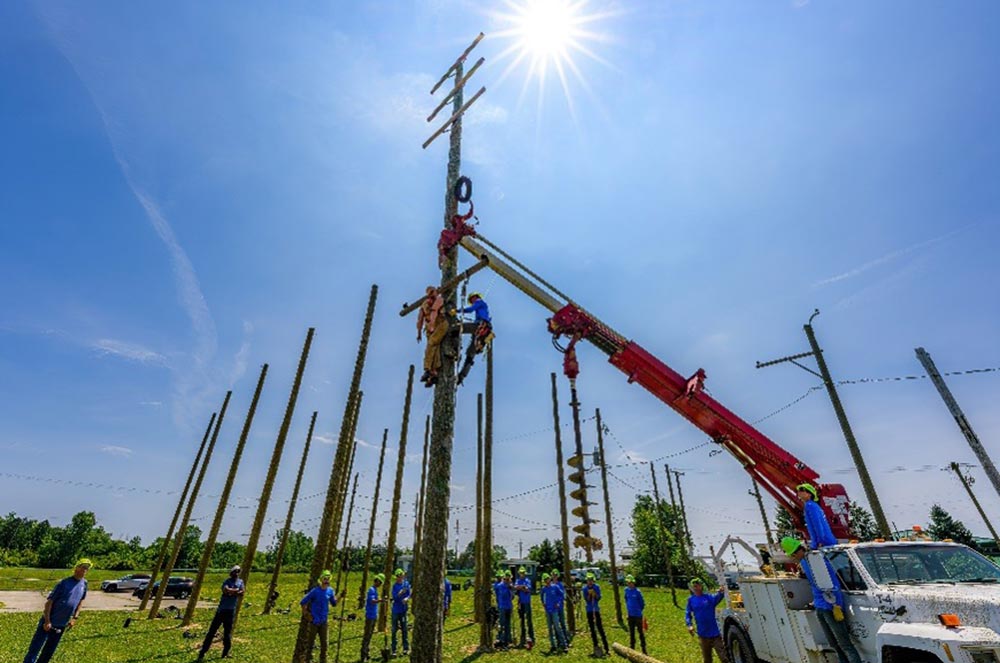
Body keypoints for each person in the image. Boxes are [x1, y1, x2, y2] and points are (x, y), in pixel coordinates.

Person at [781, 537, 862, 663]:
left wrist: (837, 605)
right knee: (834, 644)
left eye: (793, 555)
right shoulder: (804, 562)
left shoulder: (816, 559)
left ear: (798, 551)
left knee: (845, 644)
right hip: (820, 607)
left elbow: (832, 583)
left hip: (831, 606)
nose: (793, 558)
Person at [23, 558, 90, 663]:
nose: (85, 570)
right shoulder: (64, 583)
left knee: (48, 652)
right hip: (48, 623)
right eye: (83, 567)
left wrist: (75, 617)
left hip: (61, 625)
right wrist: (47, 621)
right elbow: (49, 603)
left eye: (87, 568)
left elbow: (81, 600)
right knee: (35, 649)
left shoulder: (84, 584)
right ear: (76, 568)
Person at [198, 565, 246, 661]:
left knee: (227, 633)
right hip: (221, 611)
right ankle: (202, 652)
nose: (236, 573)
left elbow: (242, 593)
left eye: (238, 572)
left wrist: (231, 592)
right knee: (212, 632)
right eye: (234, 571)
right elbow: (225, 590)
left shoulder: (240, 582)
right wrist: (235, 591)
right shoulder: (227, 581)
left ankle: (225, 653)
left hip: (230, 611)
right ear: (231, 573)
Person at [299, 569, 341, 663]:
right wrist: (306, 614)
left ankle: (323, 660)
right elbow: (303, 602)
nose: (326, 581)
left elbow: (334, 603)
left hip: (324, 621)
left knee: (324, 644)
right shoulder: (315, 591)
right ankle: (308, 659)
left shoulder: (330, 591)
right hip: (314, 621)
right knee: (310, 643)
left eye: (328, 579)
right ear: (321, 580)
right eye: (325, 579)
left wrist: (340, 596)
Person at [685, 578, 729, 663]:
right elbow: (688, 613)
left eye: (697, 586)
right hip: (703, 635)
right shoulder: (691, 600)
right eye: (694, 586)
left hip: (715, 634)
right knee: (707, 659)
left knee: (724, 658)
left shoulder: (709, 598)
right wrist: (689, 625)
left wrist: (721, 591)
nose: (696, 588)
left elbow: (718, 596)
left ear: (701, 586)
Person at [456, 292, 494, 385]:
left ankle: (454, 348)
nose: (472, 302)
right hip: (482, 330)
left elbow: (470, 309)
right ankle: (461, 376)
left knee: (456, 329)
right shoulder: (482, 307)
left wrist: (457, 311)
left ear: (475, 297)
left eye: (471, 299)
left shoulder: (479, 301)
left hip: (480, 326)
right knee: (470, 354)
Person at [417, 285, 448, 387]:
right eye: (429, 292)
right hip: (430, 328)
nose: (431, 294)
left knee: (431, 344)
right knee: (435, 346)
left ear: (436, 291)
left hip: (440, 324)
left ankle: (427, 369)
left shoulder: (439, 300)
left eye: (432, 291)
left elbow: (435, 312)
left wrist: (431, 326)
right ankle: (433, 373)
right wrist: (419, 332)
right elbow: (420, 319)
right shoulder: (424, 304)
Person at [797, 483, 837, 549]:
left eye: (802, 490)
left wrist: (820, 541)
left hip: (824, 543)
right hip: (825, 541)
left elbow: (817, 523)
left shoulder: (810, 505)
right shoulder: (813, 505)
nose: (799, 491)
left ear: (809, 494)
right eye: (798, 490)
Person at [540, 573, 568, 653]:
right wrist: (543, 603)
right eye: (545, 580)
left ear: (550, 579)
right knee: (550, 628)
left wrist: (558, 603)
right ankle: (553, 645)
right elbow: (541, 596)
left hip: (554, 610)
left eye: (547, 579)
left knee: (557, 627)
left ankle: (564, 644)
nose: (546, 581)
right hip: (548, 610)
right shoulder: (544, 589)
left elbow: (562, 595)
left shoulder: (555, 587)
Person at [583, 572, 609, 657]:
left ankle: (606, 648)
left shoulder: (597, 587)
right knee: (592, 630)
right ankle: (596, 646)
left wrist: (595, 594)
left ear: (593, 581)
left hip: (596, 610)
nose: (590, 582)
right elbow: (587, 600)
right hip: (589, 610)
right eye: (588, 580)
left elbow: (598, 598)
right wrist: (590, 595)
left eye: (591, 580)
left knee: (600, 628)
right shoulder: (584, 588)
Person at [360, 573, 383, 663]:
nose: (380, 584)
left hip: (374, 615)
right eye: (379, 582)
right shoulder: (371, 590)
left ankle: (367, 652)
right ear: (376, 581)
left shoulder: (375, 590)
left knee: (369, 635)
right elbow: (372, 601)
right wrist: (380, 600)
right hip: (369, 616)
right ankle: (363, 655)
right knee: (367, 635)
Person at [624, 575, 647, 654]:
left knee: (640, 632)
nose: (629, 584)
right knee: (632, 632)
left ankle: (643, 649)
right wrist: (628, 612)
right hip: (630, 615)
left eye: (630, 583)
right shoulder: (626, 590)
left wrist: (638, 611)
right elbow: (626, 600)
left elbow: (642, 603)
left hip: (638, 615)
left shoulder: (637, 592)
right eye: (628, 583)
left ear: (633, 583)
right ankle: (632, 648)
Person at [390, 568, 411, 656]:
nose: (399, 578)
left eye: (400, 576)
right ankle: (394, 649)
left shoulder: (406, 584)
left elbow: (409, 593)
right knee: (394, 630)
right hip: (396, 610)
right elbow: (394, 597)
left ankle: (406, 648)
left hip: (403, 610)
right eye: (398, 576)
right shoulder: (394, 586)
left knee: (404, 629)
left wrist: (407, 598)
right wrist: (400, 593)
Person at [513, 566, 535, 648]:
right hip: (520, 602)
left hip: (527, 602)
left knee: (529, 619)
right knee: (521, 619)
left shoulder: (527, 580)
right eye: (521, 573)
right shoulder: (518, 580)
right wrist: (522, 587)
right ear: (519, 573)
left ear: (525, 573)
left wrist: (521, 588)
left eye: (523, 573)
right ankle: (523, 635)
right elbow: (516, 587)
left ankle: (531, 635)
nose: (522, 574)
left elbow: (528, 589)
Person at [493, 569, 514, 649]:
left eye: (509, 579)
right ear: (504, 578)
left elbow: (512, 597)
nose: (508, 580)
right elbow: (501, 595)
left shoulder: (510, 586)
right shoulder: (500, 586)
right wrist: (508, 588)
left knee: (508, 624)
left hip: (509, 606)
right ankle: (500, 639)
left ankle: (507, 639)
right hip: (502, 606)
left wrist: (511, 590)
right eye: (507, 578)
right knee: (502, 624)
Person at [551, 568, 571, 645]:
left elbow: (562, 595)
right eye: (553, 575)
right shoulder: (550, 585)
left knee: (562, 622)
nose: (554, 576)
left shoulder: (560, 585)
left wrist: (559, 602)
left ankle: (566, 638)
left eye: (555, 575)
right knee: (555, 624)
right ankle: (558, 640)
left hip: (560, 606)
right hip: (553, 608)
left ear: (558, 576)